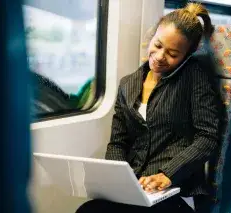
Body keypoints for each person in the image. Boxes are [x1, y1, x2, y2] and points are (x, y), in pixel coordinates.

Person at [76, 3, 221, 213]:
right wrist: (117, 183)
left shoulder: (193, 77)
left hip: (176, 190)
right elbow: (119, 141)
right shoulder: (128, 83)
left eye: (172, 53)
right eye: (158, 45)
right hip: (136, 188)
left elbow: (207, 137)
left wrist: (167, 174)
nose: (160, 56)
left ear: (186, 56)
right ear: (152, 36)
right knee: (88, 210)